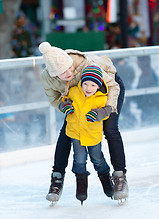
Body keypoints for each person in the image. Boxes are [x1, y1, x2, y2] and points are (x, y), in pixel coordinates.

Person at [38, 42, 128, 203]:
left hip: (107, 88)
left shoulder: (84, 64)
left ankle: (120, 177)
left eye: (70, 68)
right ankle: (57, 179)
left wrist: (106, 110)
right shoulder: (47, 78)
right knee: (67, 133)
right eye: (64, 73)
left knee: (110, 129)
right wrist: (62, 105)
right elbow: (53, 98)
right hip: (79, 98)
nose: (70, 73)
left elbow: (113, 86)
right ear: (54, 74)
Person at [60, 65, 114, 204]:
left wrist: (97, 114)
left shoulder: (101, 98)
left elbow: (107, 111)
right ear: (81, 83)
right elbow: (63, 102)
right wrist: (65, 106)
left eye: (92, 85)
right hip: (75, 133)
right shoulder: (73, 92)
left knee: (97, 159)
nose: (88, 88)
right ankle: (81, 186)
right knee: (79, 159)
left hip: (92, 135)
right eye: (85, 84)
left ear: (98, 85)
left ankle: (106, 180)